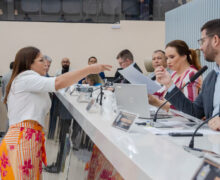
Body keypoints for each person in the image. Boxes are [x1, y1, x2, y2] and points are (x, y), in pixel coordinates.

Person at [0, 46, 111, 179]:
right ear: (29, 63)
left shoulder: (30, 80)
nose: (46, 63)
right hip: (22, 139)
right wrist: (89, 69)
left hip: (27, 138)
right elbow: (58, 82)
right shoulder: (25, 78)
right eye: (41, 60)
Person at [155, 19, 220, 131]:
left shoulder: (194, 74)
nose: (200, 47)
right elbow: (194, 113)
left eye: (202, 41)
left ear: (215, 40)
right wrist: (169, 84)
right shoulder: (211, 78)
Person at [149, 40, 202, 111]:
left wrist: (157, 103)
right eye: (167, 58)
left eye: (172, 57)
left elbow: (189, 110)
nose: (168, 62)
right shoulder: (174, 73)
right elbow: (161, 95)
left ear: (184, 56)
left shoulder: (191, 75)